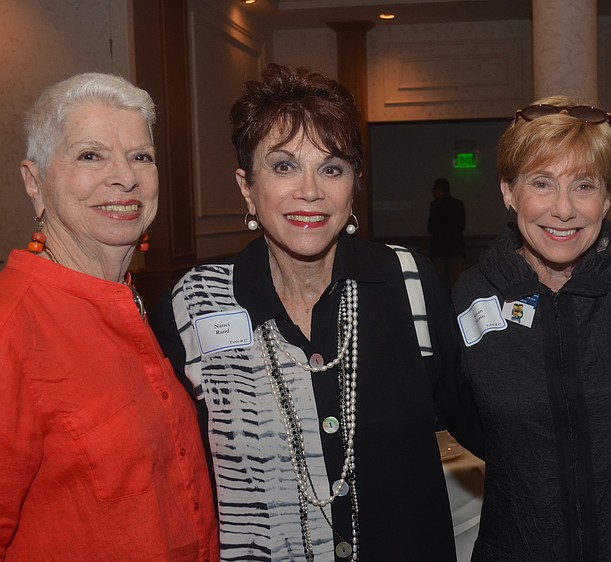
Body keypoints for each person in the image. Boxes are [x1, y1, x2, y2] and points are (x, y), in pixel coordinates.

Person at [150, 64, 480, 562]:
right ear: (246, 186)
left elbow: (485, 420)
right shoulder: (197, 303)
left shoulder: (409, 282)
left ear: (355, 186)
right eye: (283, 166)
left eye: (332, 167)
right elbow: (168, 474)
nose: (310, 190)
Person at [0, 73, 219, 560]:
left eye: (141, 156)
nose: (125, 176)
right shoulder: (12, 327)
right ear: (34, 183)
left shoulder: (136, 304)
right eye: (90, 155)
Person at [452, 97, 611, 561]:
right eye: (541, 183)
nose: (563, 209)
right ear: (508, 191)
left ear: (608, 197)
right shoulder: (469, 295)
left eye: (584, 185)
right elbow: (467, 418)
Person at [427, 177, 466, 286]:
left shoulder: (435, 205)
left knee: (439, 282)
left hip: (439, 248)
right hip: (456, 247)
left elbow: (430, 227)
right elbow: (462, 225)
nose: (432, 191)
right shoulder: (458, 204)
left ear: (439, 189)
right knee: (457, 282)